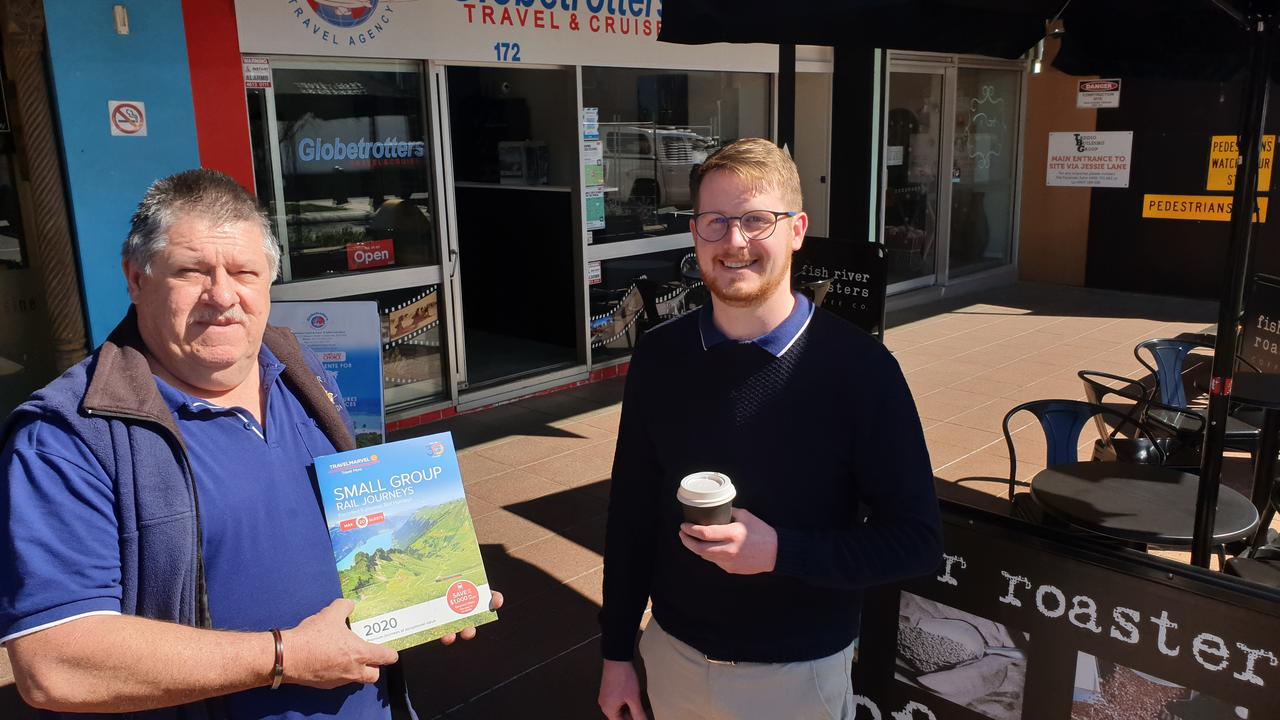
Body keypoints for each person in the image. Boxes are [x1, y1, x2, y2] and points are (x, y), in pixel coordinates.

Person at [0, 169, 499, 719]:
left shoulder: (300, 373)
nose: (223, 296)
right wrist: (283, 656)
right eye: (191, 271)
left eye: (244, 272)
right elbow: (53, 664)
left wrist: (424, 595)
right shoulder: (68, 437)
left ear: (268, 282)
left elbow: (354, 529)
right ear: (136, 279)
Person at [597, 139, 942, 720]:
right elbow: (631, 515)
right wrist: (616, 654)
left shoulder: (858, 370)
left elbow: (916, 542)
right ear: (695, 232)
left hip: (797, 675)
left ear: (797, 229)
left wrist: (780, 551)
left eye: (758, 221)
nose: (735, 242)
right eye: (716, 222)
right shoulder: (660, 357)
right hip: (673, 657)